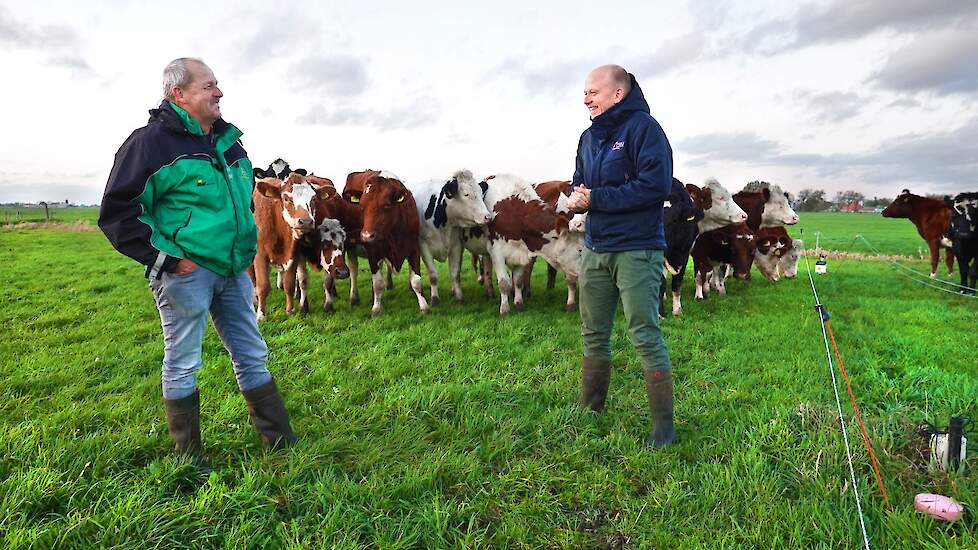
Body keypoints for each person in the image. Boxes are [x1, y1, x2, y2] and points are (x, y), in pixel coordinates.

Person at [98, 58, 297, 467]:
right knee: (184, 361)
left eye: (217, 85)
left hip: (233, 270)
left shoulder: (230, 143)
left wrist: (242, 251)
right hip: (186, 274)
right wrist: (167, 259)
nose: (218, 92)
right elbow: (119, 212)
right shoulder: (150, 144)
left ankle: (279, 441)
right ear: (179, 94)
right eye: (208, 86)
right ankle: (188, 459)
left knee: (251, 351)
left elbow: (245, 203)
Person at [565, 64, 677, 448]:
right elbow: (580, 179)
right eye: (584, 92)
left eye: (593, 92)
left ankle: (664, 429)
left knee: (644, 333)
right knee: (593, 332)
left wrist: (596, 198)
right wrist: (578, 195)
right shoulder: (587, 137)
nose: (585, 98)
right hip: (596, 248)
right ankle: (590, 409)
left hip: (637, 248)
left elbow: (655, 186)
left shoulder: (645, 130)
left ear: (618, 93)